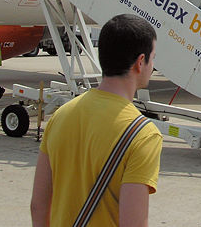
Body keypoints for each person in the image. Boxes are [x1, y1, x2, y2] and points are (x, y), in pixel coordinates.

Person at [30, 14, 163, 227]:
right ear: (140, 62)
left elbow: (38, 206)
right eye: (153, 57)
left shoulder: (60, 116)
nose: (152, 65)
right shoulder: (142, 134)